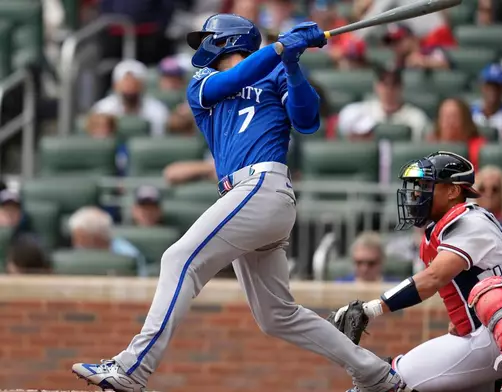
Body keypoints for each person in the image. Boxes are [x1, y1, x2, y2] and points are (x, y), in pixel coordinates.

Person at [71, 15, 405, 392]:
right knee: (276, 316)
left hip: (264, 184)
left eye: (208, 38)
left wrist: (292, 65)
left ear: (229, 40)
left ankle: (132, 368)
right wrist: (280, 50)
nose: (202, 47)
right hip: (244, 196)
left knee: (178, 259)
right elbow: (233, 80)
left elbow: (308, 120)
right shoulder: (202, 83)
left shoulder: (276, 72)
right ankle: (376, 374)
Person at [331, 151, 502, 392]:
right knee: (386, 380)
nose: (416, 193)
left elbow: (434, 278)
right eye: (417, 186)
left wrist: (371, 308)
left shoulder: (472, 221)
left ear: (453, 190)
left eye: (426, 185)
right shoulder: (442, 231)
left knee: (489, 291)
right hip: (485, 334)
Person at [337, 66, 430, 142]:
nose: (389, 90)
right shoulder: (358, 112)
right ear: (376, 86)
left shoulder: (416, 117)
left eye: (394, 84)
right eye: (385, 84)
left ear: (401, 87)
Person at [92, 59, 170, 137]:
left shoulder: (158, 110)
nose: (129, 85)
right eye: (125, 81)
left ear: (143, 85)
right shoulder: (102, 109)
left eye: (134, 81)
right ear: (115, 85)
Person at [68, 206, 148, 277]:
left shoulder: (128, 254)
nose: (76, 244)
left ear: (97, 238)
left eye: (81, 239)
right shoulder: (76, 257)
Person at [429, 98, 486, 169]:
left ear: (465, 121)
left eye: (454, 117)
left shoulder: (479, 147)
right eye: (445, 117)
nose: (449, 122)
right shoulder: (430, 145)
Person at [470, 64, 502, 142]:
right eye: (489, 86)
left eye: (497, 87)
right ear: (481, 87)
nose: (492, 91)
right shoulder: (470, 113)